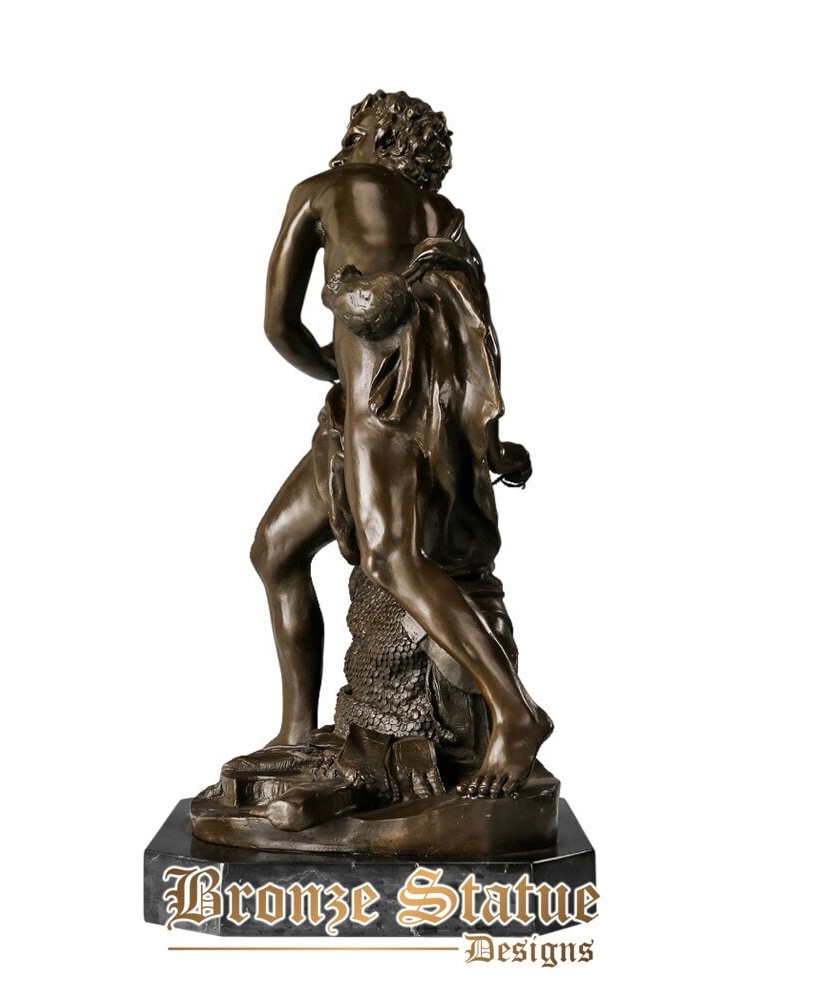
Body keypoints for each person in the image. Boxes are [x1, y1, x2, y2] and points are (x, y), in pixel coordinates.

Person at [250, 91, 552, 798]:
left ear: (372, 134)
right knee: (276, 547)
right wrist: (491, 441)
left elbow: (278, 325)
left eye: (356, 126)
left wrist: (337, 367)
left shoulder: (321, 191)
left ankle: (516, 714)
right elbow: (478, 336)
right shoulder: (444, 218)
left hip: (377, 412)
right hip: (431, 413)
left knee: (391, 557)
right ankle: (297, 732)